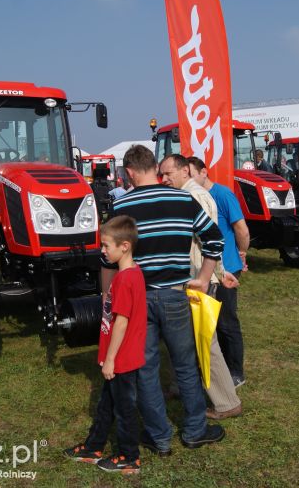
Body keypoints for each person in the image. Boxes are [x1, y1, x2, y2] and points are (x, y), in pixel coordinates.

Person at [102, 145, 225, 455]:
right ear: (154, 168)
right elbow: (214, 239)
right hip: (175, 295)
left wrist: (108, 297)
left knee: (145, 368)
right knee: (185, 365)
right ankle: (195, 430)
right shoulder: (184, 200)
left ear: (129, 172)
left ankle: (159, 438)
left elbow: (107, 260)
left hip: (137, 299)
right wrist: (202, 277)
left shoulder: (121, 206)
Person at [158, 154, 242, 420]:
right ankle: (178, 386)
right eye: (162, 174)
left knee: (204, 341)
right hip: (191, 279)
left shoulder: (194, 197)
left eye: (169, 173)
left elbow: (212, 240)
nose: (164, 179)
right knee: (180, 336)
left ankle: (227, 402)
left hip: (197, 281)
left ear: (185, 171)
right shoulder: (186, 195)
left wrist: (216, 274)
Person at [64, 216, 146, 474]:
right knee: (106, 404)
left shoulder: (124, 280)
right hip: (117, 356)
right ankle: (94, 446)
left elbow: (121, 322)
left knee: (124, 409)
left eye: (106, 246)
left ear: (124, 246)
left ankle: (129, 456)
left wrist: (111, 359)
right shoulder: (133, 273)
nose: (102, 250)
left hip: (122, 358)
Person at [187, 156, 250, 388]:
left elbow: (241, 229)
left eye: (191, 173)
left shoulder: (222, 195)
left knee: (226, 321)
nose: (189, 178)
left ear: (204, 172)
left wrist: (242, 253)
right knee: (207, 323)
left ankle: (236, 372)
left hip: (226, 268)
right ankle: (215, 368)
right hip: (204, 269)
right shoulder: (190, 197)